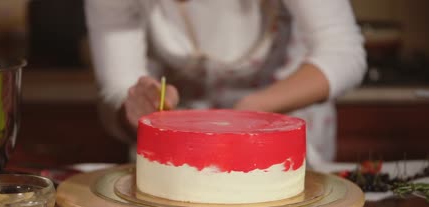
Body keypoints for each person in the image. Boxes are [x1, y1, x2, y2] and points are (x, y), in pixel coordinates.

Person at [84, 0, 366, 163]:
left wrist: (250, 109)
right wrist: (135, 110)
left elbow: (343, 52)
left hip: (282, 127)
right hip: (181, 149)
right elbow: (117, 86)